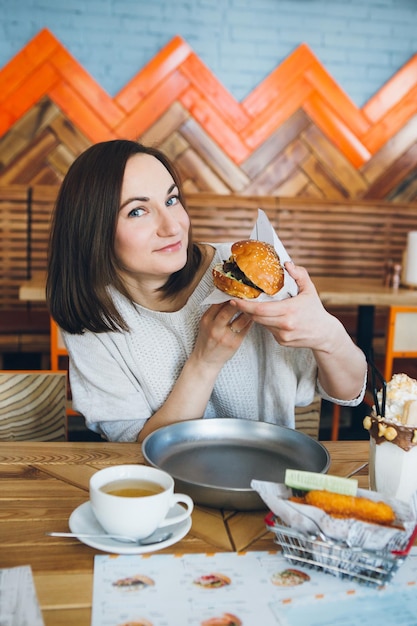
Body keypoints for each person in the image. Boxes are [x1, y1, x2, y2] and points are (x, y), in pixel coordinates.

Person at [47, 140, 367, 443]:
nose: (172, 226)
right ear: (92, 230)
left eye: (172, 200)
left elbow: (348, 392)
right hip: (166, 491)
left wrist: (328, 334)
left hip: (266, 478)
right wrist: (204, 362)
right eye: (137, 211)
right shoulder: (92, 318)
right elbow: (137, 448)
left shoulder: (249, 271)